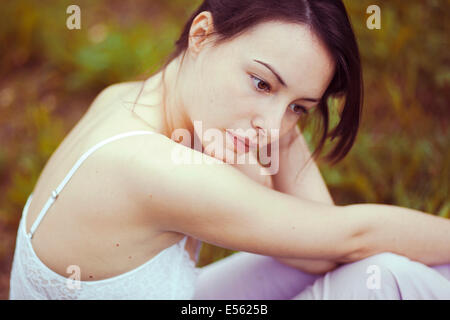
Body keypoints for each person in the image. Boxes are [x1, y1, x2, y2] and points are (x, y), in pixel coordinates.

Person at [9, 0, 450, 299]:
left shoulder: (127, 98)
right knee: (389, 279)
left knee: (396, 271)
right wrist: (283, 102)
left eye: (299, 108)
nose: (273, 129)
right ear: (201, 34)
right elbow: (349, 237)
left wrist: (280, 96)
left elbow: (314, 250)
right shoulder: (159, 172)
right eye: (261, 82)